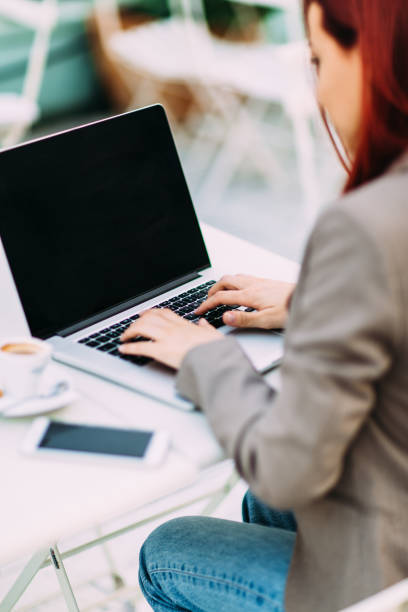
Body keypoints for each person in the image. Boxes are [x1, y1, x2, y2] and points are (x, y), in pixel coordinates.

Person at [119, 0, 408, 610]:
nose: (316, 84)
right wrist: (316, 305)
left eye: (318, 58)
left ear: (372, 61)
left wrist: (206, 358)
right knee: (262, 508)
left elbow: (287, 466)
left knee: (168, 548)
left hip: (383, 579)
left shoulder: (367, 225)